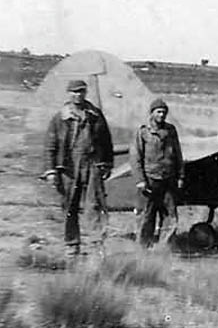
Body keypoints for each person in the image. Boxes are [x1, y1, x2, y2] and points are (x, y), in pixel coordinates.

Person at [42, 79, 114, 257]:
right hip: (68, 166)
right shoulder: (61, 117)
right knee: (69, 206)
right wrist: (51, 171)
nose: (77, 95)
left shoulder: (95, 115)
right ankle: (72, 243)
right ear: (68, 93)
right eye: (74, 92)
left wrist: (107, 164)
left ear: (85, 93)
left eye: (81, 91)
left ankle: (98, 243)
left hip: (92, 164)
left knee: (94, 204)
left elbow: (106, 141)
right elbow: (50, 145)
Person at [130, 98, 185, 248]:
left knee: (170, 215)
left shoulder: (171, 131)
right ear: (152, 113)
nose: (161, 115)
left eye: (164, 112)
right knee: (146, 216)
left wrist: (180, 175)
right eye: (158, 112)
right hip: (149, 179)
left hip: (168, 179)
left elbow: (178, 154)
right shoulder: (143, 132)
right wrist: (140, 180)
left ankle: (163, 248)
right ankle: (142, 249)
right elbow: (135, 157)